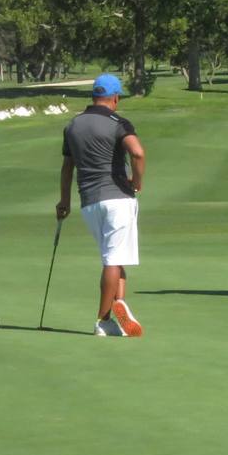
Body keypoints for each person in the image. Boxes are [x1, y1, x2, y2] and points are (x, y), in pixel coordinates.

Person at [57, 73, 146, 337]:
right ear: (115, 97)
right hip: (118, 198)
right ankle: (103, 319)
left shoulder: (73, 125)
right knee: (112, 260)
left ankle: (120, 306)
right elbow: (138, 152)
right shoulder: (118, 122)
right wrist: (137, 182)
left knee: (115, 258)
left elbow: (67, 167)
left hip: (88, 203)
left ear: (93, 96)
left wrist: (64, 201)